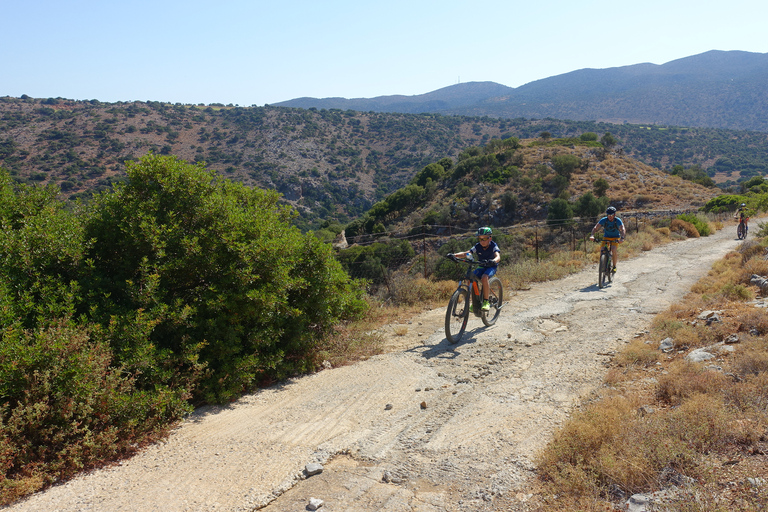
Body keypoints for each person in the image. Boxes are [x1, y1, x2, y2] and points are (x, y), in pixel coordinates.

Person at [449, 227, 501, 311]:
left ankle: (486, 302)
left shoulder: (493, 245)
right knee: (470, 279)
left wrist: (494, 261)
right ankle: (475, 303)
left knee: (484, 278)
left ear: (490, 238)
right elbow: (467, 253)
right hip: (481, 265)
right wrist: (454, 255)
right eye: (480, 239)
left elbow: (498, 256)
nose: (482, 241)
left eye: (484, 238)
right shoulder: (478, 246)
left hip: (491, 266)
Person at [589, 206, 626, 273]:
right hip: (606, 237)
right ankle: (603, 263)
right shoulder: (604, 220)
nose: (610, 216)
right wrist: (592, 235)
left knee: (613, 249)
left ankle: (614, 266)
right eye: (608, 215)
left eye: (611, 215)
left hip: (615, 237)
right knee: (602, 250)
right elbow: (595, 228)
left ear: (614, 215)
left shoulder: (617, 220)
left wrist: (622, 238)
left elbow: (622, 229)